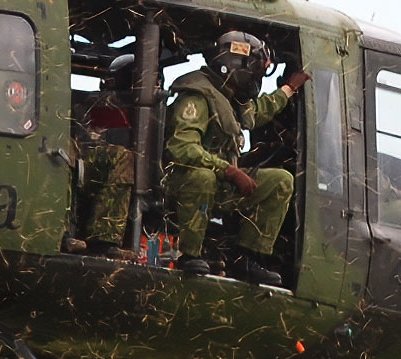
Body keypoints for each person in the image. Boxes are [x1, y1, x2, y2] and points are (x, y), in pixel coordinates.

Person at [162, 31, 308, 287]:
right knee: (203, 176)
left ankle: (245, 259)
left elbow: (255, 113)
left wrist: (289, 89)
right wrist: (228, 171)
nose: (257, 78)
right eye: (256, 70)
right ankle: (189, 255)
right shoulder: (198, 96)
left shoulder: (227, 96)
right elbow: (182, 148)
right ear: (238, 66)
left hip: (218, 185)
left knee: (280, 181)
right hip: (181, 185)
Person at [69, 51, 139, 256]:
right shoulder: (94, 105)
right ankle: (102, 239)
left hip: (112, 172)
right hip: (85, 166)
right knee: (122, 158)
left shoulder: (152, 112)